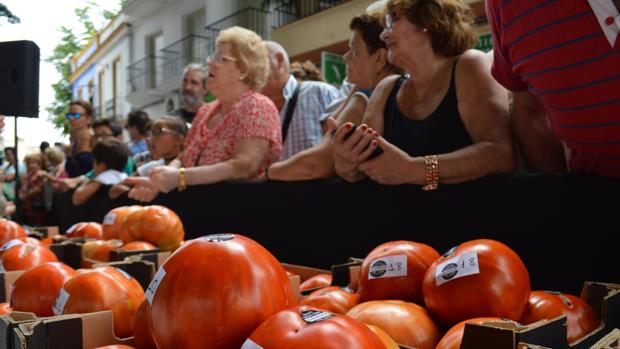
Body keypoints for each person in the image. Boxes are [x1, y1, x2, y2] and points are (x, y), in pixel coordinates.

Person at [332, 0, 515, 187]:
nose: (383, 34)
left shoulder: (469, 64)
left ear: (428, 21)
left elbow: (500, 153)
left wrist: (415, 169)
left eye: (392, 20)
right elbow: (363, 170)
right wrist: (346, 164)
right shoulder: (386, 88)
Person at [126, 26, 282, 202]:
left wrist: (180, 177)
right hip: (197, 213)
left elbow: (244, 166)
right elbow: (184, 157)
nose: (210, 63)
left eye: (221, 59)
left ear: (244, 70)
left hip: (238, 216)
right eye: (212, 57)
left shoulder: (258, 106)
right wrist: (166, 174)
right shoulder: (206, 110)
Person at [486, 0, 620, 177]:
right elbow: (530, 112)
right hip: (598, 191)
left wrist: (435, 168)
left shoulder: (466, 65)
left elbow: (501, 155)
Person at [267, 10, 401, 180]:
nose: (345, 57)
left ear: (380, 58)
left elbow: (316, 165)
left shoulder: (362, 100)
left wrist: (268, 172)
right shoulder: (377, 91)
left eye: (354, 51)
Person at [261, 41, 342, 160]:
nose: (249, 71)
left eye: (257, 63)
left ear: (278, 61)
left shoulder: (321, 93)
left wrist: (273, 172)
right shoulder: (250, 111)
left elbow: (342, 154)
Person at [72, 139, 129, 205]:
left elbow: (77, 198)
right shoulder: (123, 176)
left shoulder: (106, 176)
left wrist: (87, 181)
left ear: (102, 166)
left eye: (93, 162)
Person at [65, 100, 95, 178]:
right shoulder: (71, 145)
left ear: (88, 118)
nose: (71, 118)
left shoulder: (94, 139)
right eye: (69, 115)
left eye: (76, 115)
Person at [20, 152, 47, 226]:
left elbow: (39, 188)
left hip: (37, 204)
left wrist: (26, 195)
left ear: (39, 164)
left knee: (38, 224)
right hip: (29, 204)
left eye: (33, 163)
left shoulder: (41, 174)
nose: (31, 165)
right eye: (29, 163)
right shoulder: (29, 174)